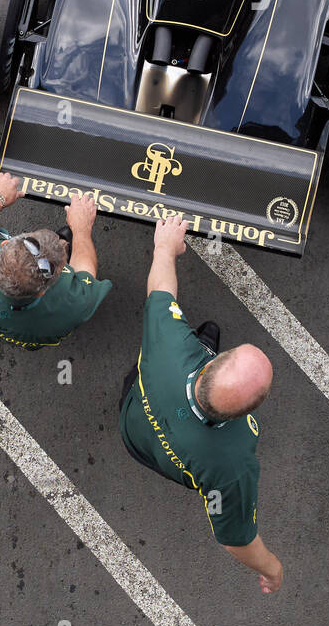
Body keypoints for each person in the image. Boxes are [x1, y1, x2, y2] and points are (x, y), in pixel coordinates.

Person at [119, 215, 283, 594]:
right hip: (162, 458)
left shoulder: (170, 347)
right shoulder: (232, 466)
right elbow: (236, 539)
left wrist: (165, 246)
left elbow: (160, 291)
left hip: (135, 420)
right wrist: (272, 570)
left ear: (208, 361)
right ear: (245, 414)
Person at [0, 175, 111, 350]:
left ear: (5, 243)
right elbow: (86, 275)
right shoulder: (76, 305)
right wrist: (81, 229)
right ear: (41, 293)